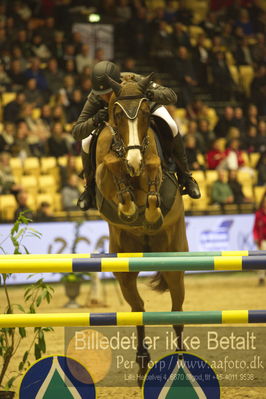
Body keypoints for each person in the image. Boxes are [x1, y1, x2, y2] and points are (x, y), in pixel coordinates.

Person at [72, 60, 201, 210]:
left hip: (145, 110)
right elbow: (77, 131)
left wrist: (149, 93)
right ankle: (89, 187)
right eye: (102, 95)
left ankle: (186, 176)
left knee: (171, 125)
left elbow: (172, 96)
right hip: (118, 116)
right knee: (86, 141)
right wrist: (94, 120)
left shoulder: (135, 79)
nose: (105, 98)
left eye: (108, 93)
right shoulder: (95, 96)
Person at [253, 191, 266, 285]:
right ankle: (261, 277)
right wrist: (256, 238)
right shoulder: (258, 214)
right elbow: (255, 228)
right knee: (260, 257)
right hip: (262, 241)